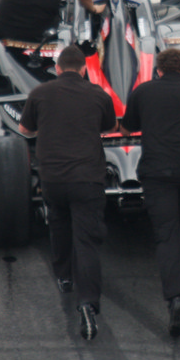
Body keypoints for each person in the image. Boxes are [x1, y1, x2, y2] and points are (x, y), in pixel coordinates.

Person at [19, 44, 118, 341]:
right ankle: (87, 302)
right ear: (84, 69)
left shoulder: (40, 93)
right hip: (87, 179)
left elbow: (25, 130)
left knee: (59, 224)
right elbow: (110, 127)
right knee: (86, 241)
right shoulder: (99, 94)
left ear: (58, 68)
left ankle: (64, 278)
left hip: (53, 178)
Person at [120, 48, 180, 338]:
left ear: (158, 70)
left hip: (157, 170)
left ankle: (175, 297)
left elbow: (128, 128)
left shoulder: (143, 92)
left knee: (166, 231)